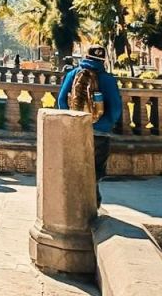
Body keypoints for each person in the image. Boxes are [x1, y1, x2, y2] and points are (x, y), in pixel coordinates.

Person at [57, 44, 123, 206]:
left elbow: (61, 100)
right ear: (103, 60)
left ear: (85, 57)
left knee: (75, 167)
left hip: (77, 129)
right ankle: (91, 204)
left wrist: (72, 122)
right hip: (100, 133)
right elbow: (115, 108)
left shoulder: (73, 74)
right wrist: (107, 123)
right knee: (94, 171)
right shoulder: (108, 79)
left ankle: (73, 203)